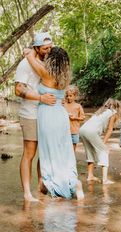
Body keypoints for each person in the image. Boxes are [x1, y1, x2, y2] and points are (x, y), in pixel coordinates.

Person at [24, 46, 84, 200]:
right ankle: (72, 182)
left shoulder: (46, 74)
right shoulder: (65, 78)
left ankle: (53, 184)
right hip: (61, 115)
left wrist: (31, 50)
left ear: (51, 60)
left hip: (48, 115)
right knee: (63, 152)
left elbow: (29, 56)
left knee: (49, 151)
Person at [15, 32, 55, 202]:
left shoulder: (47, 62)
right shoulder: (25, 64)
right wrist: (40, 98)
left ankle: (41, 185)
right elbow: (18, 90)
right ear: (36, 48)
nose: (49, 50)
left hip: (46, 113)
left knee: (44, 152)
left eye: (50, 47)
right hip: (30, 114)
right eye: (45, 48)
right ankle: (27, 193)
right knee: (29, 153)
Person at [79, 98, 121, 184]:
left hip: (82, 130)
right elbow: (109, 130)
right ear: (116, 107)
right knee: (104, 151)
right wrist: (103, 144)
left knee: (90, 152)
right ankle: (105, 180)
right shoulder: (113, 113)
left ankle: (90, 176)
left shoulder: (100, 111)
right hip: (91, 132)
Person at [64, 85, 85, 151]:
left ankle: (72, 160)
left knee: (73, 149)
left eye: (70, 96)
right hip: (64, 130)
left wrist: (75, 118)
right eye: (67, 96)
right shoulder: (63, 105)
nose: (68, 97)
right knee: (65, 148)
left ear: (75, 96)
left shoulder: (78, 106)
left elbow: (83, 117)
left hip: (74, 131)